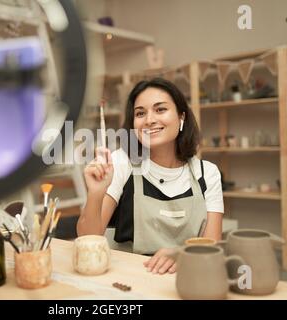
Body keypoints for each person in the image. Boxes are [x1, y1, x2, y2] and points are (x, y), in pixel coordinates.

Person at [77, 78, 224, 275]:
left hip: (188, 277)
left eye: (160, 109)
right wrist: (96, 193)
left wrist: (182, 254)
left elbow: (212, 247)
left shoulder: (207, 173)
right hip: (129, 280)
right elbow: (88, 237)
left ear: (182, 117)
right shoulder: (122, 162)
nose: (149, 120)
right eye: (140, 113)